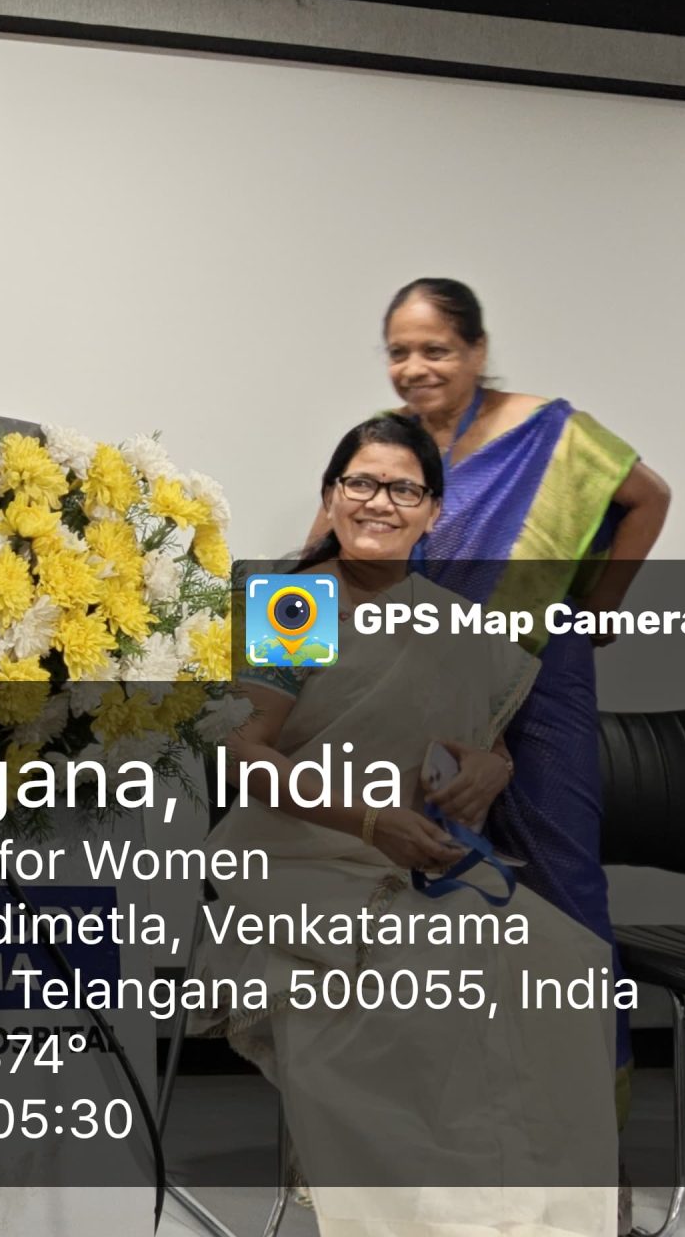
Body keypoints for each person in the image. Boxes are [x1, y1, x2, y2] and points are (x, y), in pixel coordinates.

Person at [212, 416, 617, 1237]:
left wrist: (493, 769)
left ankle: (545, 1218)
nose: (380, 502)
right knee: (432, 981)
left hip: (417, 859)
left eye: (404, 489)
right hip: (296, 857)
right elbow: (242, 752)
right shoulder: (296, 605)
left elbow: (486, 740)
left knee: (567, 961)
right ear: (331, 497)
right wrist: (367, 821)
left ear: (434, 512)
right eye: (361, 482)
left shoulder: (455, 621)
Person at [350, 277, 672, 1108]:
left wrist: (599, 609)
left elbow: (649, 497)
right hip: (425, 683)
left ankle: (591, 1120)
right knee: (432, 879)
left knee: (562, 881)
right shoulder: (392, 446)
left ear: (477, 350)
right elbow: (335, 547)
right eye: (399, 351)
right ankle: (460, 1116)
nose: (415, 367)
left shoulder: (549, 433)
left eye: (435, 349)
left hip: (540, 677)